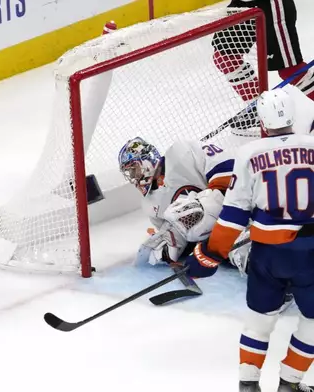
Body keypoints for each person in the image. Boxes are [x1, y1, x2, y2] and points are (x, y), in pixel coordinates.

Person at [184, 89, 314, 392]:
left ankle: (248, 384)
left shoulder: (248, 154)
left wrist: (209, 254)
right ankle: (290, 382)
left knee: (260, 320)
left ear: (262, 122)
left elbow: (233, 216)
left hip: (267, 256)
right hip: (309, 256)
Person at [118, 137, 235, 266]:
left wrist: (207, 206)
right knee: (157, 249)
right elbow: (185, 234)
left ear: (146, 160)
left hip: (236, 209)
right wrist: (170, 244)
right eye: (130, 173)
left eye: (135, 169)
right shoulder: (149, 204)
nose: (134, 178)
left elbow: (229, 172)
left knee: (188, 212)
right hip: (215, 237)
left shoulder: (183, 152)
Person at [212, 0, 313, 130]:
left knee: (290, 70)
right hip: (243, 3)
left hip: (270, 5)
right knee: (225, 58)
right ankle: (261, 111)